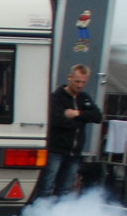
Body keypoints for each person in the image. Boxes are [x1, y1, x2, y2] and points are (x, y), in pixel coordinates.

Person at [37, 64, 103, 199]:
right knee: (46, 187)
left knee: (65, 189)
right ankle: (41, 211)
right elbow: (57, 120)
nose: (80, 85)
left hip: (74, 153)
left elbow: (98, 117)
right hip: (56, 150)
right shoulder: (56, 97)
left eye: (83, 82)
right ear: (69, 78)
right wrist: (82, 120)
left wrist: (77, 113)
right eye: (77, 81)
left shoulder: (84, 97)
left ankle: (60, 211)